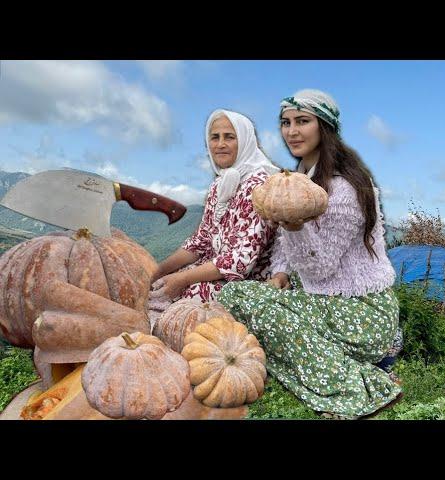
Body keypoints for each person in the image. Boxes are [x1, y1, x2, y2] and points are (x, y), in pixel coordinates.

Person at [218, 89, 402, 419]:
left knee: (270, 318)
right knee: (233, 294)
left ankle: (358, 382)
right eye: (286, 123)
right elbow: (284, 250)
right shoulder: (300, 180)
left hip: (363, 310)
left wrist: (293, 227)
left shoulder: (345, 188)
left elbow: (320, 269)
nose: (292, 131)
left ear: (324, 128)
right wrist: (280, 274)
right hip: (323, 302)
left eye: (303, 121)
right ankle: (354, 355)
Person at [148, 109, 280, 322]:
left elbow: (240, 261)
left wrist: (181, 279)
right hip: (217, 269)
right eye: (215, 137)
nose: (220, 144)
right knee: (160, 285)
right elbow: (200, 242)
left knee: (192, 297)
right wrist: (159, 270)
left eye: (229, 137)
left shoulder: (259, 187)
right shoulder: (220, 185)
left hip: (251, 280)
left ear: (246, 141)